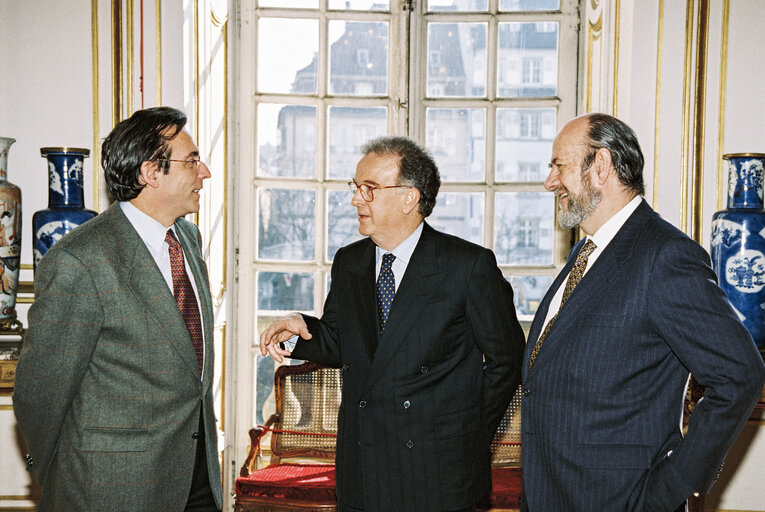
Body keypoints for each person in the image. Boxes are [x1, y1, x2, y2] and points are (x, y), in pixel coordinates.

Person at [260, 135, 525, 512]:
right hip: (363, 466)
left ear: (409, 198)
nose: (355, 199)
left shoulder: (466, 266)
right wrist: (299, 328)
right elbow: (342, 341)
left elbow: (507, 360)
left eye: (369, 189)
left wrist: (464, 432)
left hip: (439, 471)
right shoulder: (349, 262)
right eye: (355, 187)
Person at [521, 113, 765, 512]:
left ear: (601, 166)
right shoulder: (586, 252)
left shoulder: (665, 256)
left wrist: (669, 489)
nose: (551, 182)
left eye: (558, 166)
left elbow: (740, 375)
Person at [13, 107, 223, 512]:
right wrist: (58, 475)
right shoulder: (81, 260)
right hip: (113, 490)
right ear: (150, 172)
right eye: (193, 161)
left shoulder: (188, 239)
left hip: (197, 480)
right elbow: (39, 394)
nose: (205, 172)